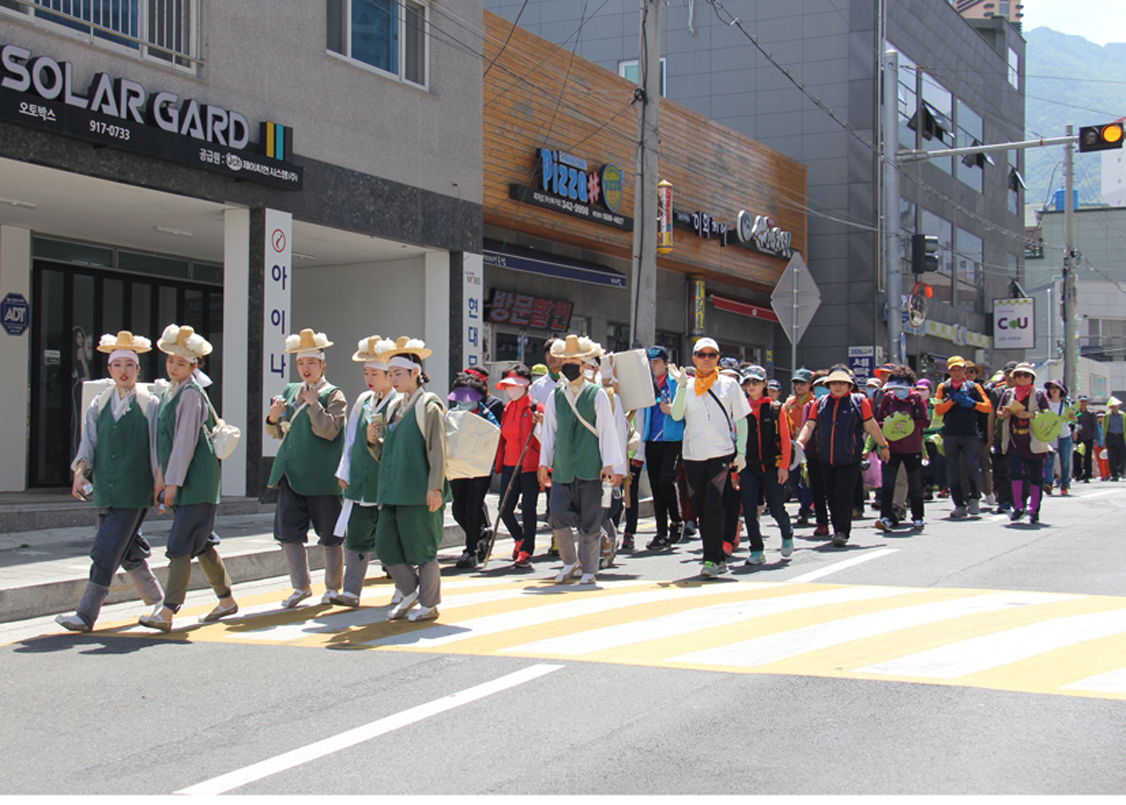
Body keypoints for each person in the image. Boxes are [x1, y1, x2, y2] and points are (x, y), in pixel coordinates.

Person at [57, 331, 165, 632]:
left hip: (135, 490)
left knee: (105, 549)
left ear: (138, 370)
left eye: (129, 366)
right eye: (117, 365)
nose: (123, 371)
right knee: (127, 550)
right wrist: (80, 471)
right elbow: (88, 443)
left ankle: (85, 614)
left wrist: (161, 485)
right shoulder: (99, 404)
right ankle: (159, 601)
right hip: (105, 488)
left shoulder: (149, 403)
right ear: (109, 370)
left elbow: (158, 448)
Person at [139, 325, 237, 631]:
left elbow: (183, 442)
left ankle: (167, 611)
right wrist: (162, 478)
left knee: (180, 544)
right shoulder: (173, 392)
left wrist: (172, 483)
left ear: (194, 367)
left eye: (181, 363)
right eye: (170, 361)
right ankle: (227, 600)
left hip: (195, 480)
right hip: (187, 480)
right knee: (202, 542)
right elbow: (168, 444)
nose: (173, 367)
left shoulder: (191, 395)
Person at [266, 329, 348, 607]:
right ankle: (300, 586)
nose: (305, 368)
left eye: (311, 363)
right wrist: (272, 419)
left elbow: (330, 431)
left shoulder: (334, 395)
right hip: (291, 474)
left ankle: (333, 587)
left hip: (322, 476)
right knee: (288, 533)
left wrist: (314, 406)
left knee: (330, 535)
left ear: (322, 365)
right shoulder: (290, 390)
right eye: (301, 363)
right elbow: (281, 432)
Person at [537, 335, 624, 584]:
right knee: (557, 515)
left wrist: (610, 465)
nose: (568, 364)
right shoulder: (556, 396)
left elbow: (607, 430)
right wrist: (544, 463)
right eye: (565, 359)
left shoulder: (597, 394)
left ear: (585, 363)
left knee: (590, 519)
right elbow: (549, 432)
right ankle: (569, 561)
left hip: (591, 467)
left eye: (574, 359)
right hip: (563, 467)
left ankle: (589, 569)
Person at [374, 337, 449, 622]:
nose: (393, 379)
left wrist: (435, 487)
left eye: (398, 373)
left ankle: (429, 604)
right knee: (385, 546)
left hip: (419, 490)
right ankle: (408, 593)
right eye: (390, 373)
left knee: (423, 548)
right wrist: (374, 442)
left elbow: (437, 448)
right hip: (393, 490)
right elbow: (388, 452)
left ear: (415, 373)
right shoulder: (394, 406)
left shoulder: (428, 406)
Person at [667, 337, 751, 577]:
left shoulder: (728, 384)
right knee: (700, 508)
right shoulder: (687, 385)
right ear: (693, 358)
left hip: (721, 453)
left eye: (711, 355)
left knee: (714, 503)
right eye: (701, 354)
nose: (706, 359)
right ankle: (714, 554)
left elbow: (742, 418)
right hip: (693, 454)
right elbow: (675, 415)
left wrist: (742, 452)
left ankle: (712, 558)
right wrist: (681, 387)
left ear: (717, 359)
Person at [330, 336, 397, 607]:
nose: (369, 378)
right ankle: (351, 591)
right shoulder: (363, 400)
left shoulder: (397, 402)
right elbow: (350, 440)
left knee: (391, 539)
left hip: (387, 483)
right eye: (366, 373)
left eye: (375, 373)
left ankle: (404, 589)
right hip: (361, 480)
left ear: (389, 375)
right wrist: (344, 470)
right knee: (356, 534)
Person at [796, 365, 891, 547]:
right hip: (825, 459)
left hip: (849, 459)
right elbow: (809, 425)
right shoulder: (820, 403)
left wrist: (883, 445)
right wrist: (800, 442)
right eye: (834, 383)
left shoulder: (859, 402)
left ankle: (842, 531)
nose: (838, 386)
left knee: (843, 494)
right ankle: (837, 527)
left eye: (842, 383)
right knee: (830, 495)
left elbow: (871, 426)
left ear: (849, 386)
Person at [737, 365, 793, 564]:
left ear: (764, 384)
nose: (751, 386)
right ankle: (756, 550)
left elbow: (786, 441)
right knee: (750, 511)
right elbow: (737, 440)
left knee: (777, 508)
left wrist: (784, 466)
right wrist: (736, 471)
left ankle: (787, 533)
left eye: (756, 382)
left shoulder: (776, 409)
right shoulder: (740, 409)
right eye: (748, 382)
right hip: (748, 468)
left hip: (772, 467)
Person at [633, 345, 685, 550]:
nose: (653, 366)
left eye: (656, 362)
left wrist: (673, 410)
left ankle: (677, 520)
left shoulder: (677, 382)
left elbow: (687, 410)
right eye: (650, 363)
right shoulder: (645, 384)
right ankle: (661, 533)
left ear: (666, 363)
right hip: (651, 440)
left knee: (666, 480)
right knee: (655, 486)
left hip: (672, 439)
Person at [448, 371, 499, 569]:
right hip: (459, 469)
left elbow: (494, 436)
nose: (463, 402)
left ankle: (471, 551)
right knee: (458, 510)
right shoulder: (453, 415)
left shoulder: (487, 415)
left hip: (480, 470)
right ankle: (481, 535)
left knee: (473, 507)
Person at [933, 355, 992, 518]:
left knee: (972, 466)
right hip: (950, 434)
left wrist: (973, 404)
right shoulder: (943, 387)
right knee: (953, 469)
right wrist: (952, 402)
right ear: (949, 371)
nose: (957, 373)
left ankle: (974, 498)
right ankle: (959, 503)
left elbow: (987, 407)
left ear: (965, 370)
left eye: (960, 369)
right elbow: (938, 410)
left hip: (970, 434)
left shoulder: (974, 387)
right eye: (954, 370)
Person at [494, 365, 541, 568]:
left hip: (530, 466)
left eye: (514, 386)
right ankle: (519, 537)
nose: (510, 390)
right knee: (504, 508)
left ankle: (526, 551)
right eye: (507, 387)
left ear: (525, 385)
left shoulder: (536, 407)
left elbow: (546, 436)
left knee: (529, 510)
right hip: (510, 465)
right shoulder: (507, 409)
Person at [874, 365, 930, 531]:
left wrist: (908, 423)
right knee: (888, 483)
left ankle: (918, 517)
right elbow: (878, 421)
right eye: (895, 387)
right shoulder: (888, 399)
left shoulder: (917, 399)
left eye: (902, 387)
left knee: (915, 483)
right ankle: (886, 516)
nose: (898, 391)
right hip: (892, 448)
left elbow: (925, 422)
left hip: (912, 448)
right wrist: (890, 424)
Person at [996, 362, 1051, 523]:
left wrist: (1030, 415)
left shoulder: (1039, 394)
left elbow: (1048, 416)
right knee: (1015, 474)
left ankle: (1034, 510)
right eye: (1018, 375)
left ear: (1032, 378)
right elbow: (999, 414)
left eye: (1026, 375)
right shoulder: (1008, 394)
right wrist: (1005, 413)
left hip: (1035, 441)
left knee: (1036, 478)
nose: (1022, 378)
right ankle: (1018, 507)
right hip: (1014, 440)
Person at [782, 368, 815, 525]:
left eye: (803, 383)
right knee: (792, 480)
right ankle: (806, 502)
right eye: (796, 383)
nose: (799, 386)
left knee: (808, 479)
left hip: (810, 446)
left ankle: (805, 509)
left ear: (810, 385)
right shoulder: (788, 404)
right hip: (792, 446)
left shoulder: (815, 403)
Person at [986, 363, 1016, 512]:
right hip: (1001, 436)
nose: (1010, 376)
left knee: (1019, 470)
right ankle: (1004, 500)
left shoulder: (1028, 393)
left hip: (1020, 437)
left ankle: (1019, 499)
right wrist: (990, 437)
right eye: (1007, 373)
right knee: (1002, 470)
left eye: (1013, 373)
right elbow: (991, 416)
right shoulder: (997, 392)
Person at [1042, 379, 1076, 496]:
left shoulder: (1067, 403)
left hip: (1064, 434)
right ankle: (1048, 484)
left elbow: (1073, 419)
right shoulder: (1046, 403)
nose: (1054, 390)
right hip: (1050, 434)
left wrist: (1073, 418)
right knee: (1049, 461)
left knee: (1065, 462)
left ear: (1061, 390)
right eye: (1051, 388)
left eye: (1056, 388)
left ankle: (1064, 484)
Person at [529, 338, 564, 406]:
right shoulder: (537, 385)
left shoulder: (571, 382)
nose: (551, 356)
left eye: (555, 353)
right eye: (548, 353)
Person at [1074, 395, 1098, 483]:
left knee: (1088, 456)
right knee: (1077, 455)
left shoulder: (1091, 414)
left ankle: (1087, 474)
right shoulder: (1076, 413)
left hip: (1088, 437)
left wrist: (1096, 438)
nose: (1083, 404)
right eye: (1081, 402)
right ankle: (1078, 473)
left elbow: (1095, 427)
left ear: (1087, 403)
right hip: (1079, 438)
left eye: (1084, 402)